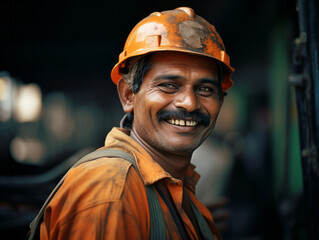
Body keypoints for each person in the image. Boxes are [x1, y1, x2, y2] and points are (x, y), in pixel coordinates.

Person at [35, 6, 235, 239]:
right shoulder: (111, 190)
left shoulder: (177, 191)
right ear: (129, 95)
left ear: (220, 101)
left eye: (205, 89)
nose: (190, 103)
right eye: (169, 85)